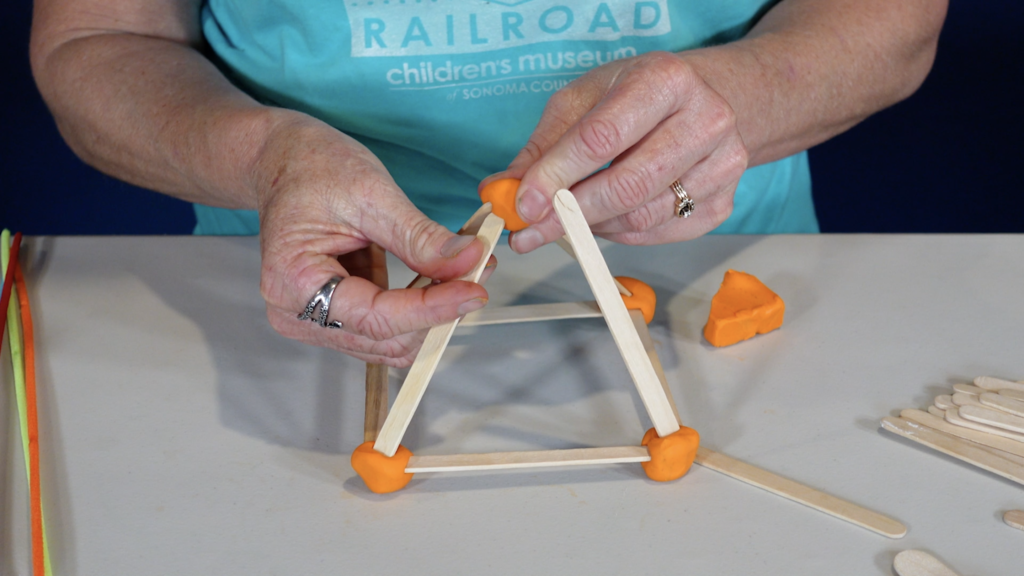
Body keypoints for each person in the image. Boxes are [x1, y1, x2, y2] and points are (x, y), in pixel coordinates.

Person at [30, 0, 947, 366]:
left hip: (700, 266)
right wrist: (264, 159)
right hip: (305, 293)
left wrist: (741, 98)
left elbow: (893, 20)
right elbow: (94, 43)